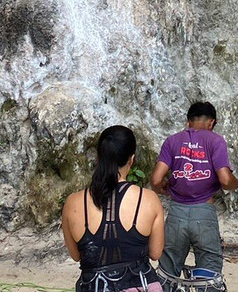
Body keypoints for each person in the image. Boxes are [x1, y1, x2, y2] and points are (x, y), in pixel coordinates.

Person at [62, 125, 165, 292]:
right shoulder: (148, 199)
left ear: (98, 157)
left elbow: (76, 256)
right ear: (131, 158)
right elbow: (155, 253)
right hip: (141, 284)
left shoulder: (72, 202)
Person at [150, 101, 238, 280]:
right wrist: (235, 184)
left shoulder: (172, 141)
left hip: (176, 213)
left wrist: (164, 190)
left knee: (168, 273)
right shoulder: (215, 140)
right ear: (211, 122)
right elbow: (225, 179)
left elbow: (155, 179)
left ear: (188, 121)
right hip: (204, 213)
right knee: (208, 275)